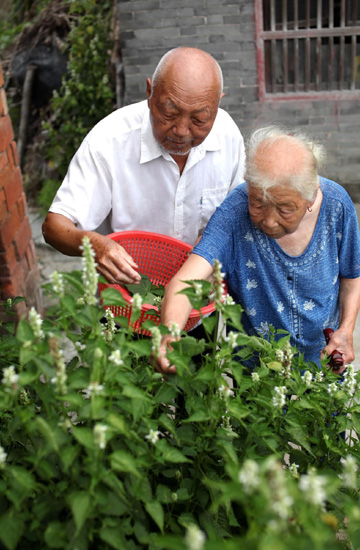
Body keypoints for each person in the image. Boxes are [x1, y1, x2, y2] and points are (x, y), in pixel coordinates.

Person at [155, 126, 360, 376]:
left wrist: (346, 330)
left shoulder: (337, 206)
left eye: (285, 209)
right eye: (258, 203)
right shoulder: (233, 213)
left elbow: (351, 276)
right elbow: (186, 282)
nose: (269, 221)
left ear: (311, 197)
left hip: (323, 360)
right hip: (256, 373)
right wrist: (171, 334)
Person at [42, 47, 245, 285]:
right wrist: (97, 245)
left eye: (199, 119)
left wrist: (213, 241)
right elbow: (54, 227)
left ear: (217, 105)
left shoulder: (228, 135)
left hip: (199, 294)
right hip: (128, 297)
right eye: (169, 112)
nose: (181, 130)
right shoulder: (109, 141)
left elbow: (239, 211)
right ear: (150, 93)